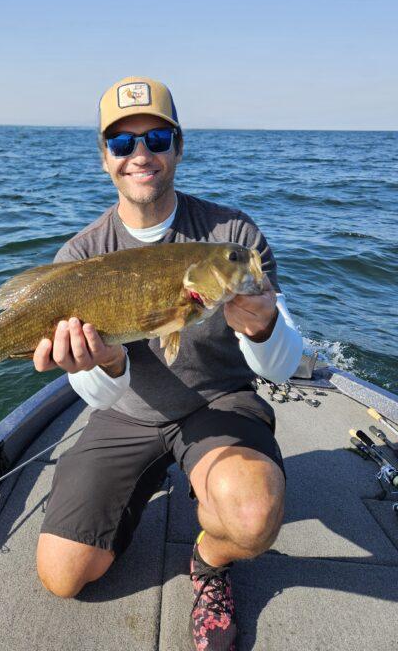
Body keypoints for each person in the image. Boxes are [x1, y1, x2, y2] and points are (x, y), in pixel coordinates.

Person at [33, 76, 303, 651]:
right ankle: (149, 481)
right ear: (105, 157)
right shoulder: (80, 255)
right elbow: (99, 395)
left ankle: (208, 561)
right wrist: (104, 364)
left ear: (178, 146)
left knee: (253, 515)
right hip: (124, 415)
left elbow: (281, 367)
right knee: (63, 576)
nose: (141, 155)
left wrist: (260, 323)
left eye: (156, 137)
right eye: (123, 143)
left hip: (217, 402)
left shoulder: (233, 238)